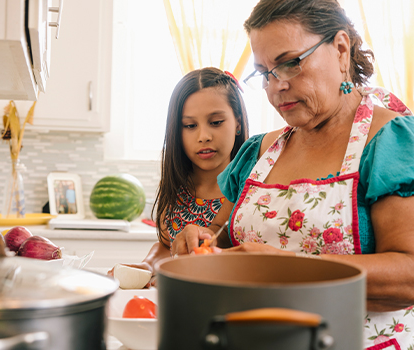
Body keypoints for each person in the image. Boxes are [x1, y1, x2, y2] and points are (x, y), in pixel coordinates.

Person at [173, 1, 414, 348]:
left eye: (289, 64)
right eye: (264, 72)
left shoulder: (390, 142)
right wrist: (202, 237)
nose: (276, 86)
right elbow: (223, 235)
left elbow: (407, 276)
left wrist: (284, 269)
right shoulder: (259, 153)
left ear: (341, 49)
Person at [108, 67, 249, 284]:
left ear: (238, 122)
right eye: (190, 125)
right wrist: (149, 264)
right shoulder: (177, 187)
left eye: (216, 122)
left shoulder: (252, 189)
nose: (204, 136)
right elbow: (167, 246)